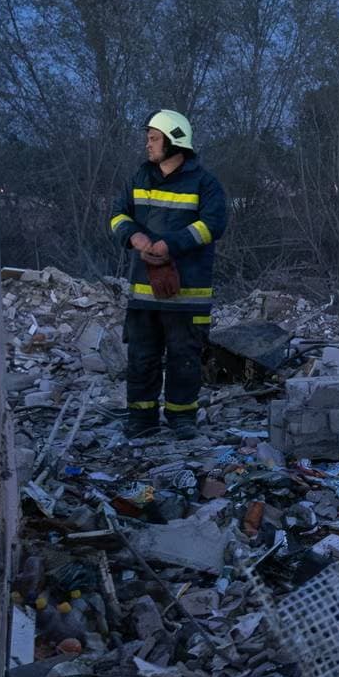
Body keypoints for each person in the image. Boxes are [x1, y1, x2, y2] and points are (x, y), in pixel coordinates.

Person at [110, 110, 229, 438]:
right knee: (141, 358)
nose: (147, 145)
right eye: (147, 138)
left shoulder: (205, 183)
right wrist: (133, 236)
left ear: (175, 141)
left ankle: (181, 419)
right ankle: (142, 420)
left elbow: (213, 224)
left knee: (184, 359)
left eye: (153, 138)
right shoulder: (139, 177)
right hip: (143, 295)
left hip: (187, 295)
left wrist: (170, 246)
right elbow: (118, 214)